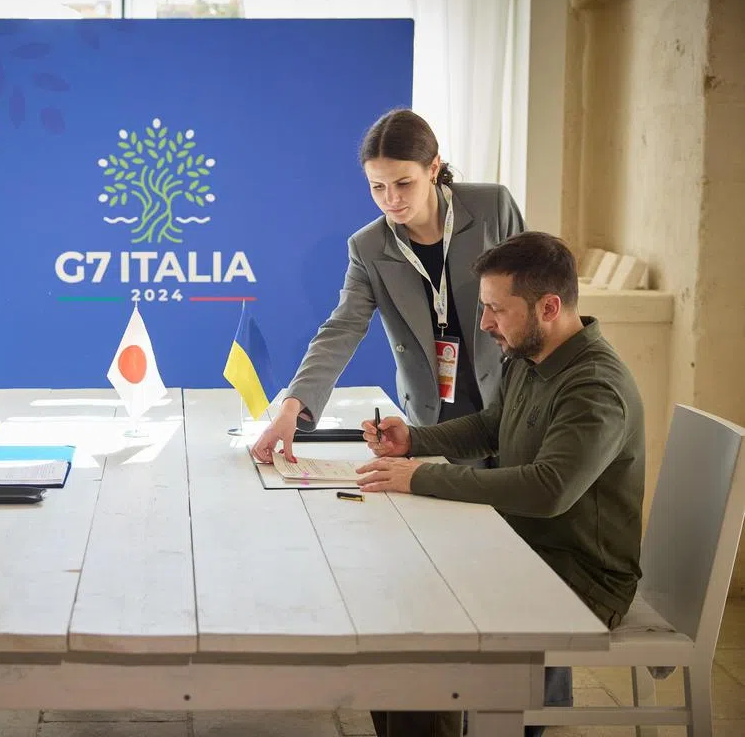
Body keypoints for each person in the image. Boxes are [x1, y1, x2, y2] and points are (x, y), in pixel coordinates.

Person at [357, 232, 645, 737]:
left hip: (579, 580)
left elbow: (548, 490)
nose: (485, 323)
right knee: (397, 596)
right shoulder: (530, 356)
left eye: (497, 309)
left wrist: (422, 476)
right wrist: (414, 441)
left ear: (548, 307)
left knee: (421, 628)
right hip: (522, 550)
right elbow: (491, 427)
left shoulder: (595, 387)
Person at [252, 108, 526, 465]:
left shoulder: (493, 208)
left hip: (511, 395)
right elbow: (342, 328)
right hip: (433, 414)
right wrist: (291, 407)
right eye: (377, 187)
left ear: (433, 167)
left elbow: (533, 294)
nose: (391, 199)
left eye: (403, 183)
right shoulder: (368, 247)